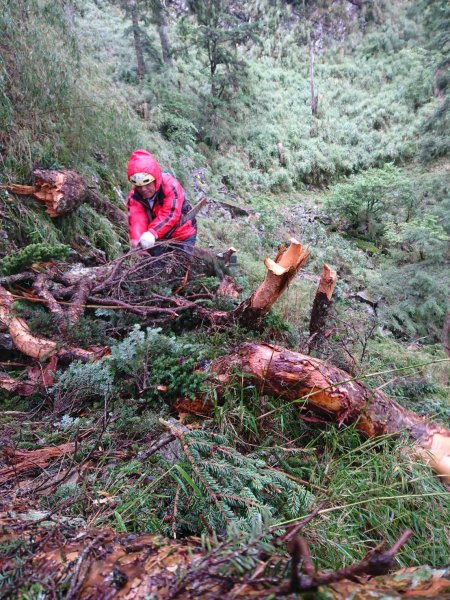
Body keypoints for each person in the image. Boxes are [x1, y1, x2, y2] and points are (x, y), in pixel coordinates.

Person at [126, 149, 197, 255]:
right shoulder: (135, 196)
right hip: (158, 239)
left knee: (181, 266)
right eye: (139, 186)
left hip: (183, 234)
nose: (143, 189)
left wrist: (152, 232)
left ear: (156, 179)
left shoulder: (170, 186)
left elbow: (171, 214)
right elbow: (137, 219)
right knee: (155, 267)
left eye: (147, 184)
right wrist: (138, 240)